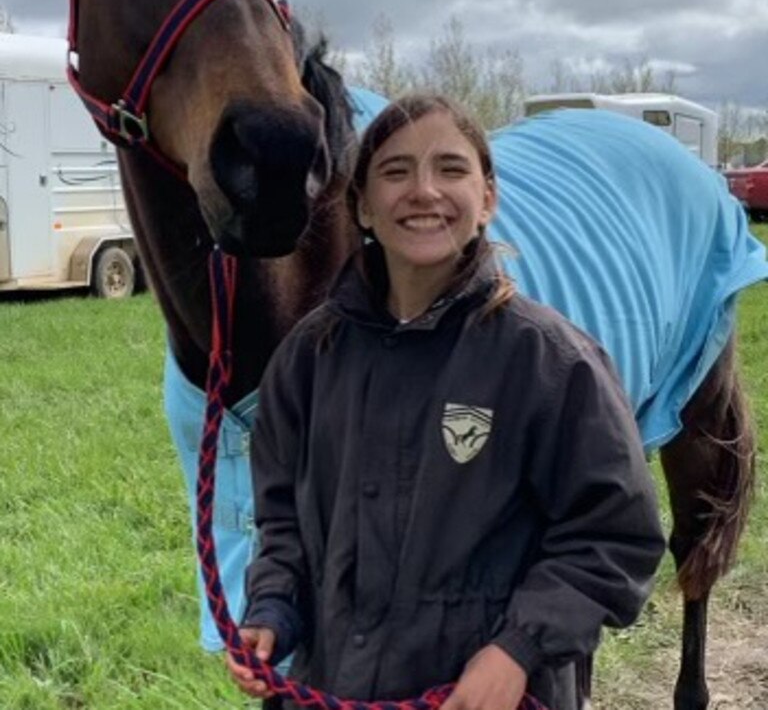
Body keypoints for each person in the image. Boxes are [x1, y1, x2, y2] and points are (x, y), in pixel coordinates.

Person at [226, 92, 666, 710]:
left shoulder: (549, 363)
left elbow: (616, 535)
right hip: (332, 688)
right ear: (363, 207)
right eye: (396, 171)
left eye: (451, 169)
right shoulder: (307, 360)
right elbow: (282, 523)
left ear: (488, 200)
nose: (424, 191)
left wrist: (518, 648)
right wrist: (272, 610)